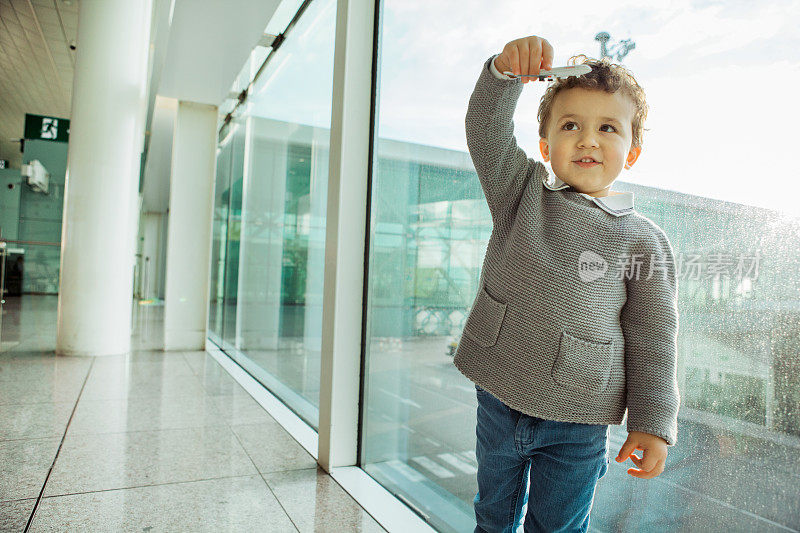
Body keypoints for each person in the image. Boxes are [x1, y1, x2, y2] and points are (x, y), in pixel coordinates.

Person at [452, 35, 680, 532]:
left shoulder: (644, 240)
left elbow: (654, 339)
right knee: (492, 515)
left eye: (608, 128)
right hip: (499, 393)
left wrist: (652, 422)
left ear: (632, 152)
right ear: (546, 145)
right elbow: (484, 130)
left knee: (556, 527)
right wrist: (503, 73)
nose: (588, 139)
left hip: (578, 416)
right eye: (570, 125)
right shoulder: (520, 192)